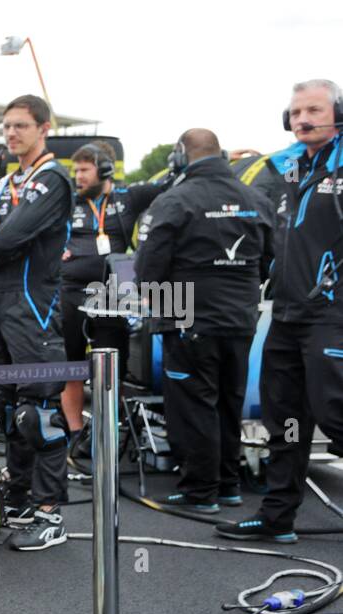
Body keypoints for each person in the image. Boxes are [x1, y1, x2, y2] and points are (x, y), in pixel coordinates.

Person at [216, 79, 343, 543]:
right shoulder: (287, 168)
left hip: (333, 315)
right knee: (284, 417)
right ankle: (278, 517)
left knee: (335, 413)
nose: (304, 119)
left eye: (314, 109)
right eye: (295, 112)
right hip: (288, 314)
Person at [134, 129, 274, 513]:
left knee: (194, 405)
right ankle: (228, 486)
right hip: (241, 319)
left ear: (180, 156)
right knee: (230, 401)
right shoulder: (256, 199)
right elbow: (270, 263)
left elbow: (147, 269)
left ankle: (200, 491)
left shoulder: (174, 199)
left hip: (188, 319)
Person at [0, 94, 74, 551]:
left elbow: (12, 234)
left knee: (41, 412)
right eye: (7, 127)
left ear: (44, 128)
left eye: (21, 126)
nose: (12, 133)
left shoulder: (54, 179)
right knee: (0, 405)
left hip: (34, 304)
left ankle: (51, 514)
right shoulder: (7, 181)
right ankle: (17, 499)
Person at [59, 141, 170, 450]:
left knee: (110, 371)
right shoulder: (66, 200)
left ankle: (106, 432)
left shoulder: (128, 197)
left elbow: (171, 182)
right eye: (75, 170)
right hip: (69, 294)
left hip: (112, 296)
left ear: (104, 170)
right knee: (72, 367)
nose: (78, 176)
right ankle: (76, 433)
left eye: (84, 170)